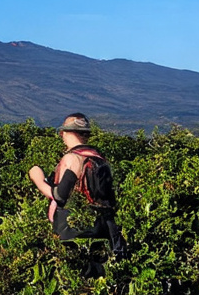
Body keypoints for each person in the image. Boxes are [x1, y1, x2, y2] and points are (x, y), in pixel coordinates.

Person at [26, 113, 125, 276]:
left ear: (64, 133)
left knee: (73, 277)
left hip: (72, 230)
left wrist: (37, 178)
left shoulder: (72, 159)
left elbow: (59, 195)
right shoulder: (100, 159)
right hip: (102, 229)